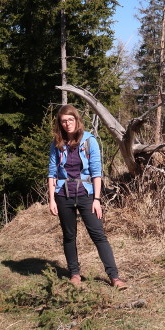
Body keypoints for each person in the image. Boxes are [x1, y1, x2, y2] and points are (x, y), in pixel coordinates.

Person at [47, 104, 127, 290]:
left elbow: (96, 172)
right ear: (60, 123)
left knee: (98, 235)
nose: (67, 124)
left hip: (87, 194)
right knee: (69, 236)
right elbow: (52, 173)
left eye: (70, 120)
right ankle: (74, 273)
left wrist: (97, 200)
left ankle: (114, 277)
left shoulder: (90, 141)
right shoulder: (57, 144)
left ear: (76, 120)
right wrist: (51, 199)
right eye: (64, 121)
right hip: (63, 194)